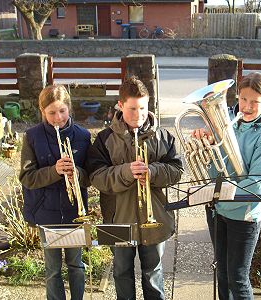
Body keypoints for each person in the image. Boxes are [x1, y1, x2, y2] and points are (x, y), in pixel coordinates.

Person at [86, 76, 183, 300]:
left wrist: (153, 171)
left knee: (153, 275)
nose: (138, 115)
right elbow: (96, 177)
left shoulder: (163, 136)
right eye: (132, 108)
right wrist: (126, 171)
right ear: (120, 106)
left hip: (156, 218)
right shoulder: (104, 138)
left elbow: (177, 170)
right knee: (121, 273)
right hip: (116, 219)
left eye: (143, 108)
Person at [192, 72, 261, 299]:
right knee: (221, 272)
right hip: (217, 210)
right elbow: (214, 167)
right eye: (243, 99)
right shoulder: (227, 119)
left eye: (255, 102)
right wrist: (205, 145)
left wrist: (220, 192)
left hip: (244, 215)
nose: (247, 107)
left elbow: (257, 187)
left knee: (237, 278)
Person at [19, 85, 91, 300]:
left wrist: (76, 173)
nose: (58, 117)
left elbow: (91, 177)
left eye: (62, 111)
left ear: (69, 108)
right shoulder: (32, 137)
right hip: (46, 214)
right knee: (52, 271)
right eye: (51, 113)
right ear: (42, 111)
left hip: (74, 213)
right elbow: (26, 177)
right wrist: (54, 171)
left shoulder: (83, 136)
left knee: (76, 265)